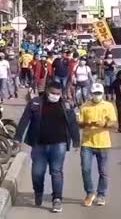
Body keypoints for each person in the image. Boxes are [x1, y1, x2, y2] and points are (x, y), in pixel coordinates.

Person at [15, 81, 80, 213]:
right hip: (39, 145)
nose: (55, 96)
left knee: (56, 172)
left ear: (61, 93)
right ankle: (38, 192)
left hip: (59, 145)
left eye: (58, 93)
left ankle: (57, 199)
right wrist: (18, 137)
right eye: (52, 93)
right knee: (37, 173)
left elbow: (73, 123)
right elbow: (24, 119)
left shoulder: (66, 105)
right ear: (47, 91)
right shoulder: (35, 103)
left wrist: (76, 141)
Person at [78, 83, 116, 207]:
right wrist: (85, 123)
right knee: (85, 169)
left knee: (103, 172)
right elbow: (79, 123)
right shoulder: (84, 106)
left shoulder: (108, 106)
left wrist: (104, 124)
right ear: (91, 94)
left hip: (103, 143)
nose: (97, 96)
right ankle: (90, 192)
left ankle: (101, 194)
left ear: (103, 93)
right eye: (95, 93)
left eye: (99, 93)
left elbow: (113, 122)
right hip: (87, 142)